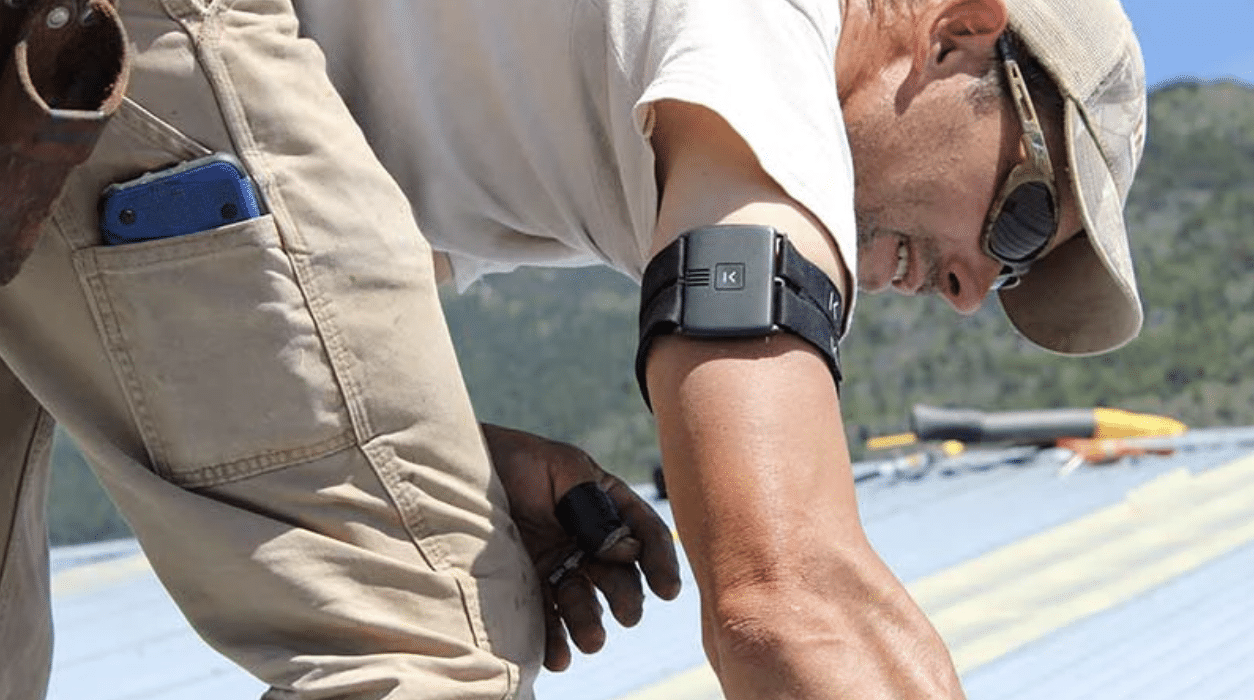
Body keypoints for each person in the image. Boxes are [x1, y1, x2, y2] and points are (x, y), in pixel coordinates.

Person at [0, 1, 1147, 700]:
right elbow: (787, 594)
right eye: (1022, 220)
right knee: (437, 641)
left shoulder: (582, 110)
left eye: (1015, 280)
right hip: (133, 36)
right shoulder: (769, 41)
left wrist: (452, 453)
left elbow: (274, 319)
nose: (969, 289)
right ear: (959, 35)